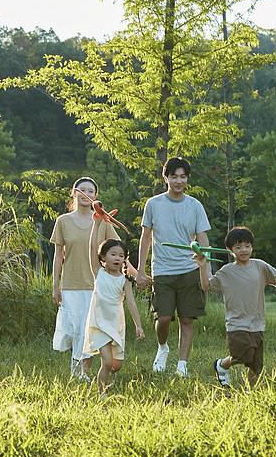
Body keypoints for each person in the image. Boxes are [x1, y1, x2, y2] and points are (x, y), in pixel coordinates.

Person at [195, 226, 276, 388]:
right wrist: (202, 266)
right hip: (236, 324)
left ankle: (253, 393)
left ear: (252, 246)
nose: (243, 250)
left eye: (247, 246)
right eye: (238, 247)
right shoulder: (226, 272)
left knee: (256, 366)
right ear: (230, 250)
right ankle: (222, 365)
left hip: (257, 324)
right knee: (242, 356)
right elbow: (206, 286)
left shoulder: (260, 267)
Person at [136, 157, 211, 377]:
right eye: (174, 176)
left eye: (183, 176)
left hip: (189, 269)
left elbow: (203, 237)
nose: (178, 181)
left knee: (187, 319)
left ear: (187, 178)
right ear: (166, 177)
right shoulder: (153, 204)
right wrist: (141, 271)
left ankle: (182, 365)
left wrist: (206, 269)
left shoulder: (195, 205)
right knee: (164, 318)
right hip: (162, 270)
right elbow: (145, 238)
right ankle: (162, 347)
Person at [51, 177, 121, 381]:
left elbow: (118, 251)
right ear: (74, 193)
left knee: (89, 329)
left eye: (90, 191)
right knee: (74, 330)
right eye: (82, 191)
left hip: (97, 284)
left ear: (95, 197)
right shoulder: (62, 221)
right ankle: (76, 368)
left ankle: (85, 373)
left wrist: (136, 275)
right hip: (70, 284)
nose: (86, 194)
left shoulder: (102, 221)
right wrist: (55, 285)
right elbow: (58, 255)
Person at [83, 215, 145, 395]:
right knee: (107, 363)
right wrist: (96, 223)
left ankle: (108, 379)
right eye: (113, 254)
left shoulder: (124, 280)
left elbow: (132, 304)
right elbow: (92, 247)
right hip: (99, 322)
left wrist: (138, 326)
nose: (117, 258)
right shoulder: (99, 273)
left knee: (116, 366)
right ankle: (101, 393)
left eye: (121, 256)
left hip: (116, 323)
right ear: (103, 257)